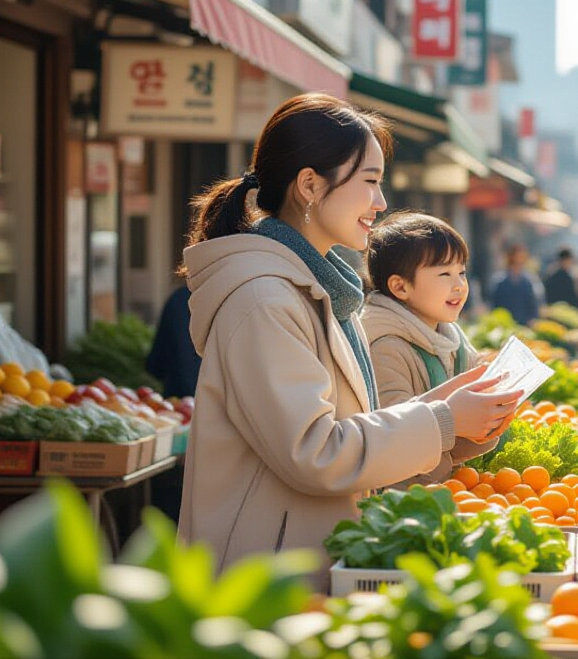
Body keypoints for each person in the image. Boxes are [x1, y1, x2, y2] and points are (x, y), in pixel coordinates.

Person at [177, 94, 521, 582]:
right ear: (310, 185)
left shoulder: (321, 290)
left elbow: (350, 427)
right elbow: (314, 451)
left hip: (304, 558)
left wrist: (451, 411)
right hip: (266, 578)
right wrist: (443, 419)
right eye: (370, 182)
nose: (381, 203)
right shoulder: (264, 300)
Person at [361, 212, 503, 488]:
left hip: (441, 489)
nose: (459, 285)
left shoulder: (453, 338)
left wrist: (488, 419)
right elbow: (395, 442)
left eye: (462, 272)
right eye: (444, 274)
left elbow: (455, 438)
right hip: (402, 500)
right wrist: (458, 422)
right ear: (400, 286)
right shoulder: (385, 347)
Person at [145, 284, 200, 399]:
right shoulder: (232, 301)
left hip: (177, 401)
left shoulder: (178, 298)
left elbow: (155, 366)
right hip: (219, 404)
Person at [488, 243, 542, 325]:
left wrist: (532, 320)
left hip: (524, 325)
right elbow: (494, 305)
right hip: (504, 325)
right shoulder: (499, 282)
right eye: (517, 257)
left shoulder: (529, 281)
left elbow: (534, 305)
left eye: (522, 257)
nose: (519, 260)